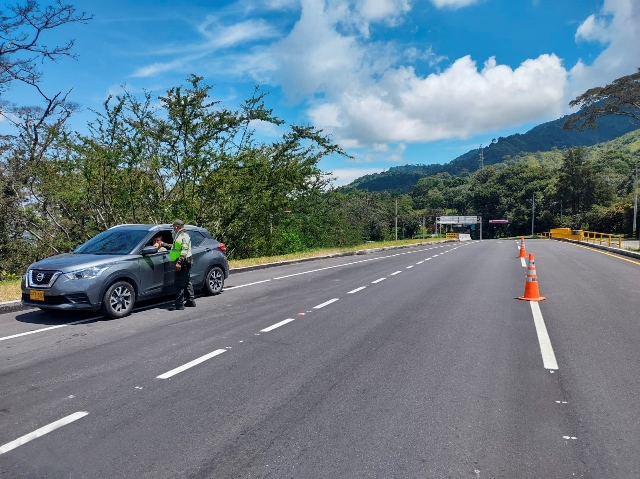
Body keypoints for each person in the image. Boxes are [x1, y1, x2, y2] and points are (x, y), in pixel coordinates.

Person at [163, 220, 195, 310]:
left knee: (179, 283)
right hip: (186, 261)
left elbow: (184, 249)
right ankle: (191, 301)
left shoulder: (183, 236)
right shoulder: (180, 235)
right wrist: (164, 244)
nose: (173, 228)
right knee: (187, 281)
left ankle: (179, 304)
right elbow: (175, 247)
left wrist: (179, 262)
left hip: (184, 262)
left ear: (177, 227)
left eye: (174, 226)